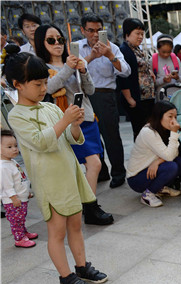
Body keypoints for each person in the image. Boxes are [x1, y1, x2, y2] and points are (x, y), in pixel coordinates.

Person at [5, 45, 109, 284]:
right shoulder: (17, 115)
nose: (43, 89)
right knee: (57, 230)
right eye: (38, 84)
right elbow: (41, 142)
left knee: (75, 225)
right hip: (50, 181)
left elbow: (72, 140)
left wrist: (74, 124)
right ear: (18, 84)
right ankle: (66, 278)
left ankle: (82, 267)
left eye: (44, 83)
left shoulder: (50, 107)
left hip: (68, 174)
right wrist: (65, 121)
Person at [36, 24, 113, 225]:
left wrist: (83, 70)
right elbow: (48, 89)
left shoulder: (73, 62)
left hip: (86, 117)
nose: (57, 44)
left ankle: (88, 206)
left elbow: (90, 90)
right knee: (89, 164)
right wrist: (69, 68)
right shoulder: (42, 68)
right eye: (50, 40)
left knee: (94, 164)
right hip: (66, 121)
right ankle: (89, 206)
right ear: (41, 43)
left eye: (60, 39)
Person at [78, 13, 131, 189]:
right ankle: (100, 171)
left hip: (105, 94)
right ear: (83, 31)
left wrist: (109, 56)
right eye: (90, 30)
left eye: (99, 30)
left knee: (111, 136)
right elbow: (70, 69)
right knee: (90, 137)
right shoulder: (76, 48)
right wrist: (91, 57)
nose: (95, 34)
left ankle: (118, 173)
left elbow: (125, 71)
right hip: (83, 96)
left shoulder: (113, 48)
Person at [126, 101, 181, 208]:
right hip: (136, 178)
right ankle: (147, 195)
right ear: (159, 116)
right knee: (171, 167)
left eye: (175, 117)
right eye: (170, 116)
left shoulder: (164, 129)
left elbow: (174, 153)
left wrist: (158, 161)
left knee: (180, 162)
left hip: (151, 169)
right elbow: (170, 156)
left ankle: (160, 187)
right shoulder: (148, 132)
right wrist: (174, 133)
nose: (173, 121)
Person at [118, 18, 155, 140]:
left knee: (149, 130)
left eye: (142, 34)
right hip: (137, 99)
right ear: (127, 34)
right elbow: (123, 77)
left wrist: (149, 72)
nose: (140, 37)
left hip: (146, 97)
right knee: (140, 132)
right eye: (137, 34)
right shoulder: (124, 50)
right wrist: (129, 98)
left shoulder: (136, 49)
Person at [1, 130, 38, 248]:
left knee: (21, 218)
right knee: (16, 221)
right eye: (9, 147)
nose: (14, 149)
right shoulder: (3, 167)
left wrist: (26, 193)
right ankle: (19, 239)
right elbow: (7, 185)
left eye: (15, 146)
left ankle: (23, 232)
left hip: (20, 198)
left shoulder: (12, 161)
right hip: (13, 201)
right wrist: (13, 197)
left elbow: (19, 180)